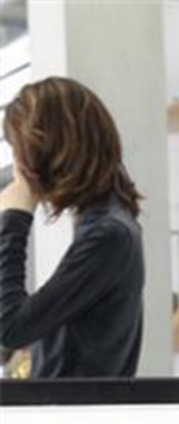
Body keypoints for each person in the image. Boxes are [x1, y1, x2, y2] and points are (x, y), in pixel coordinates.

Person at [0, 77, 145, 378]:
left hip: (69, 409)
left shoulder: (108, 234)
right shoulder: (109, 225)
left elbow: (10, 327)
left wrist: (14, 218)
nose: (17, 167)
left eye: (19, 151)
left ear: (49, 150)